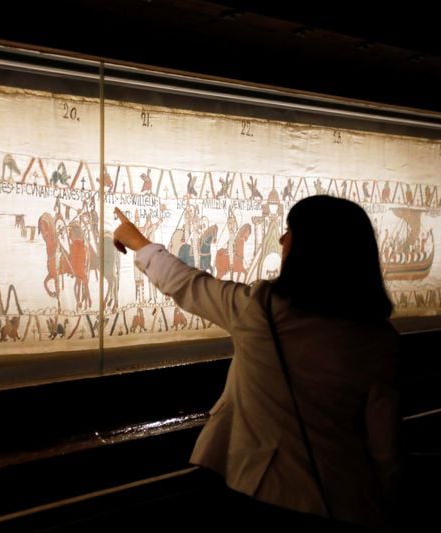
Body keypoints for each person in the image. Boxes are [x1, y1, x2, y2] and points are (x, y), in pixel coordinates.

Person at [113, 195, 400, 531]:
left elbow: (188, 284)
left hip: (263, 490)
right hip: (345, 501)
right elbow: (386, 447)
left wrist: (138, 242)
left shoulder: (260, 310)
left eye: (290, 231)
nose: (281, 238)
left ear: (307, 247)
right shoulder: (380, 339)